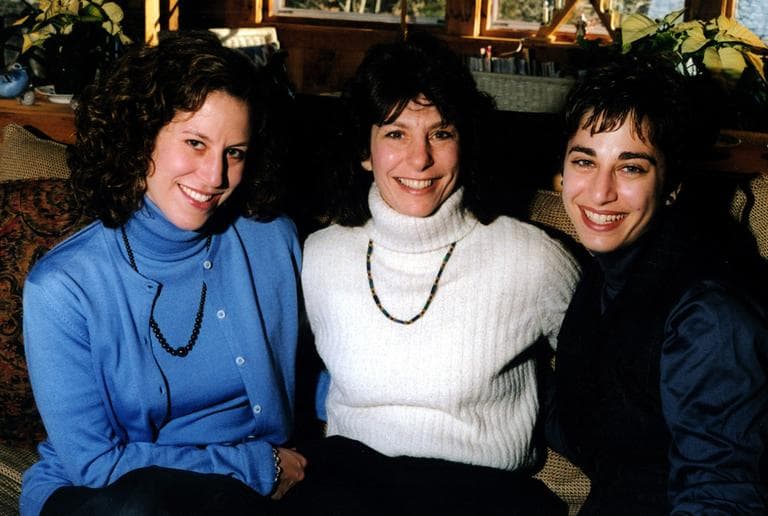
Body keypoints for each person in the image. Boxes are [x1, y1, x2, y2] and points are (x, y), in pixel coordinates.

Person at [287, 32, 580, 515]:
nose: (419, 159)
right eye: (395, 133)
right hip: (347, 485)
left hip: (481, 494)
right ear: (365, 150)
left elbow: (613, 374)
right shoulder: (319, 255)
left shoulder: (531, 257)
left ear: (464, 143)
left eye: (441, 133)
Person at [20, 32, 307, 516]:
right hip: (105, 495)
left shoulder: (272, 241)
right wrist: (256, 466)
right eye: (195, 143)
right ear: (141, 134)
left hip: (240, 495)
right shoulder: (62, 287)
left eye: (234, 152)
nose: (215, 176)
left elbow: (320, 371)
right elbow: (95, 463)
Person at [547, 56, 768, 514]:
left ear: (672, 184)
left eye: (631, 168)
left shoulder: (707, 315)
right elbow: (594, 419)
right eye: (585, 161)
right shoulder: (604, 275)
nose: (600, 191)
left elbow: (722, 496)